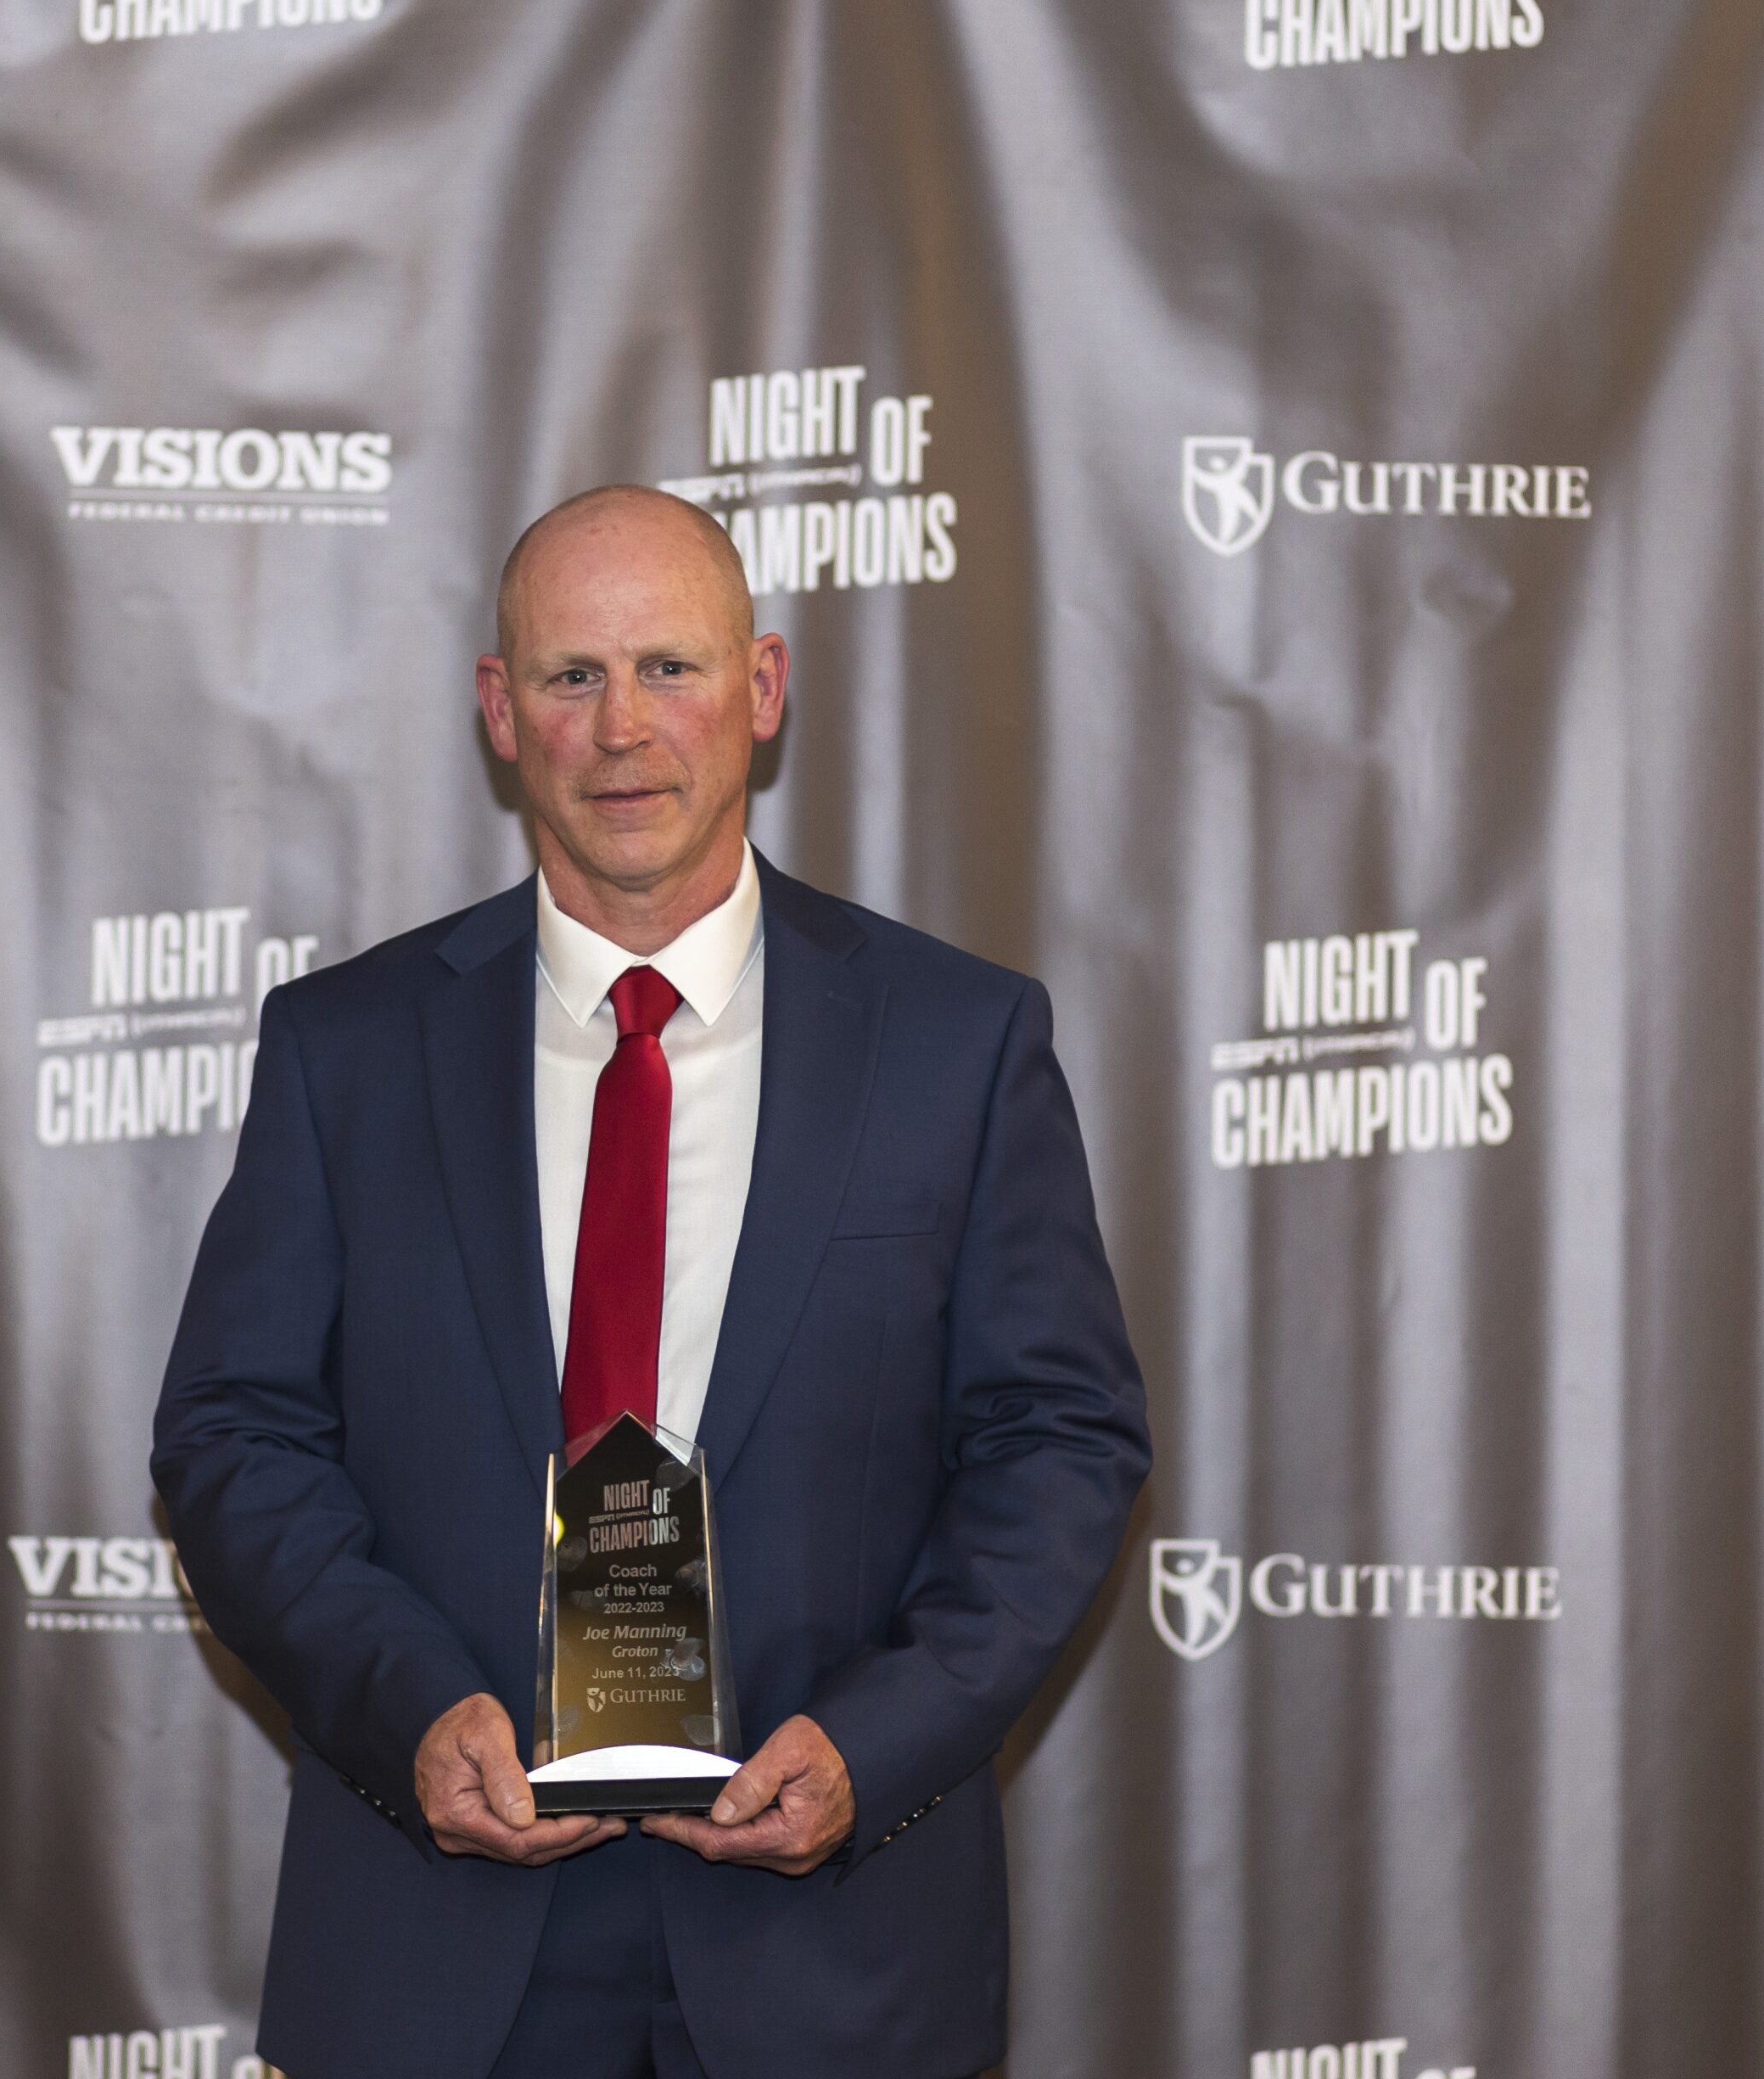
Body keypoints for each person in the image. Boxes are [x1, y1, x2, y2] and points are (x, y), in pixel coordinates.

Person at [152, 485, 1151, 2079]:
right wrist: (410, 1710)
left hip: (831, 1942)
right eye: (570, 678)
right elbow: (233, 1433)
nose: (623, 729)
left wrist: (867, 1751)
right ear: (500, 712)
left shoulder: (959, 1046)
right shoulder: (346, 1051)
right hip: (440, 1940)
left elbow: (1060, 1442)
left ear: (762, 689)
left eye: (670, 669)